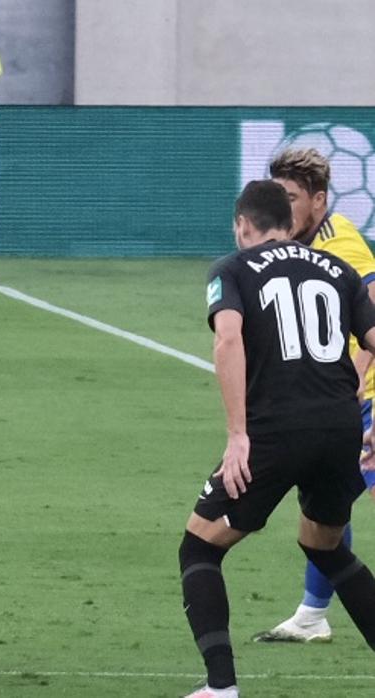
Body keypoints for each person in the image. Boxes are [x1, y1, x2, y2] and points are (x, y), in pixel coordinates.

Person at [179, 180, 375, 698]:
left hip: (275, 431)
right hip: (340, 430)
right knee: (324, 545)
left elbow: (227, 340)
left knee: (199, 545)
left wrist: (237, 435)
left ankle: (220, 687)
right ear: (289, 224)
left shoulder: (232, 269)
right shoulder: (339, 270)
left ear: (243, 224)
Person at [253, 148, 375, 644]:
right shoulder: (291, 244)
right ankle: (312, 615)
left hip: (360, 398)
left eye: (292, 197)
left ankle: (313, 614)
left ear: (319, 200)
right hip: (336, 398)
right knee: (326, 507)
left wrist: (356, 392)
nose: (282, 206)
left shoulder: (341, 243)